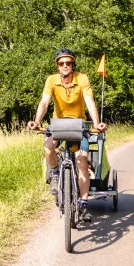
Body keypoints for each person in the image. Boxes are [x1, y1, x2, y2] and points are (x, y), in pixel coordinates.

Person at [27, 49, 107, 223]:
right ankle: (55, 173)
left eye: (68, 63)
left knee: (82, 161)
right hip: (58, 124)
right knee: (48, 146)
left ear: (72, 65)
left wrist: (96, 123)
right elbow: (44, 102)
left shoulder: (82, 79)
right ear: (57, 65)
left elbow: (90, 102)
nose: (65, 66)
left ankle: (84, 202)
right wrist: (36, 121)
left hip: (79, 125)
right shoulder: (51, 80)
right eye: (61, 63)